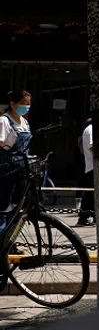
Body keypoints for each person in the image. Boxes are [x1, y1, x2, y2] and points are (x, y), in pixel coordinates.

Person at [0, 90, 32, 234]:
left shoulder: (24, 122)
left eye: (28, 104)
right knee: (3, 206)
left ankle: (9, 239)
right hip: (6, 169)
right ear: (12, 104)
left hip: (21, 168)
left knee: (17, 206)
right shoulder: (4, 121)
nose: (26, 107)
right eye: (23, 104)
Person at [78, 119, 95, 227]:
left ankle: (94, 216)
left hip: (94, 166)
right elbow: (92, 146)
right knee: (89, 193)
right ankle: (83, 217)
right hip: (93, 166)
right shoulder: (90, 130)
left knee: (93, 194)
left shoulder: (92, 129)